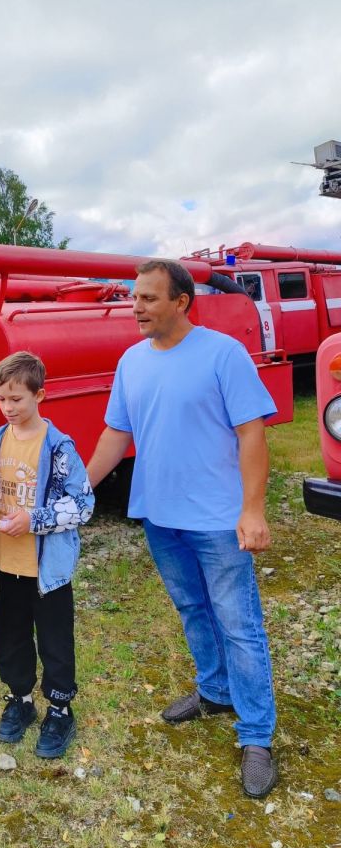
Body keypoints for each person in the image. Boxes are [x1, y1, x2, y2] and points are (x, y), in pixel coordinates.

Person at [86, 259, 279, 799]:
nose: (137, 306)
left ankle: (257, 735)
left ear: (181, 302)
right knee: (193, 610)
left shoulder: (223, 354)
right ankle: (215, 691)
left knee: (239, 623)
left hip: (218, 519)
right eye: (135, 297)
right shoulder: (131, 361)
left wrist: (253, 509)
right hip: (160, 517)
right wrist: (77, 489)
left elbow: (251, 434)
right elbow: (114, 436)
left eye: (149, 298)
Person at [0, 352, 94, 759]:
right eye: (1, 399)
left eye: (17, 400)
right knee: (10, 635)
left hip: (47, 570)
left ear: (39, 395)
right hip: (7, 562)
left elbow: (83, 504)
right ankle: (20, 699)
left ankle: (59, 708)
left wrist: (36, 519)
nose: (7, 408)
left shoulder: (58, 447)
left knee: (54, 637)